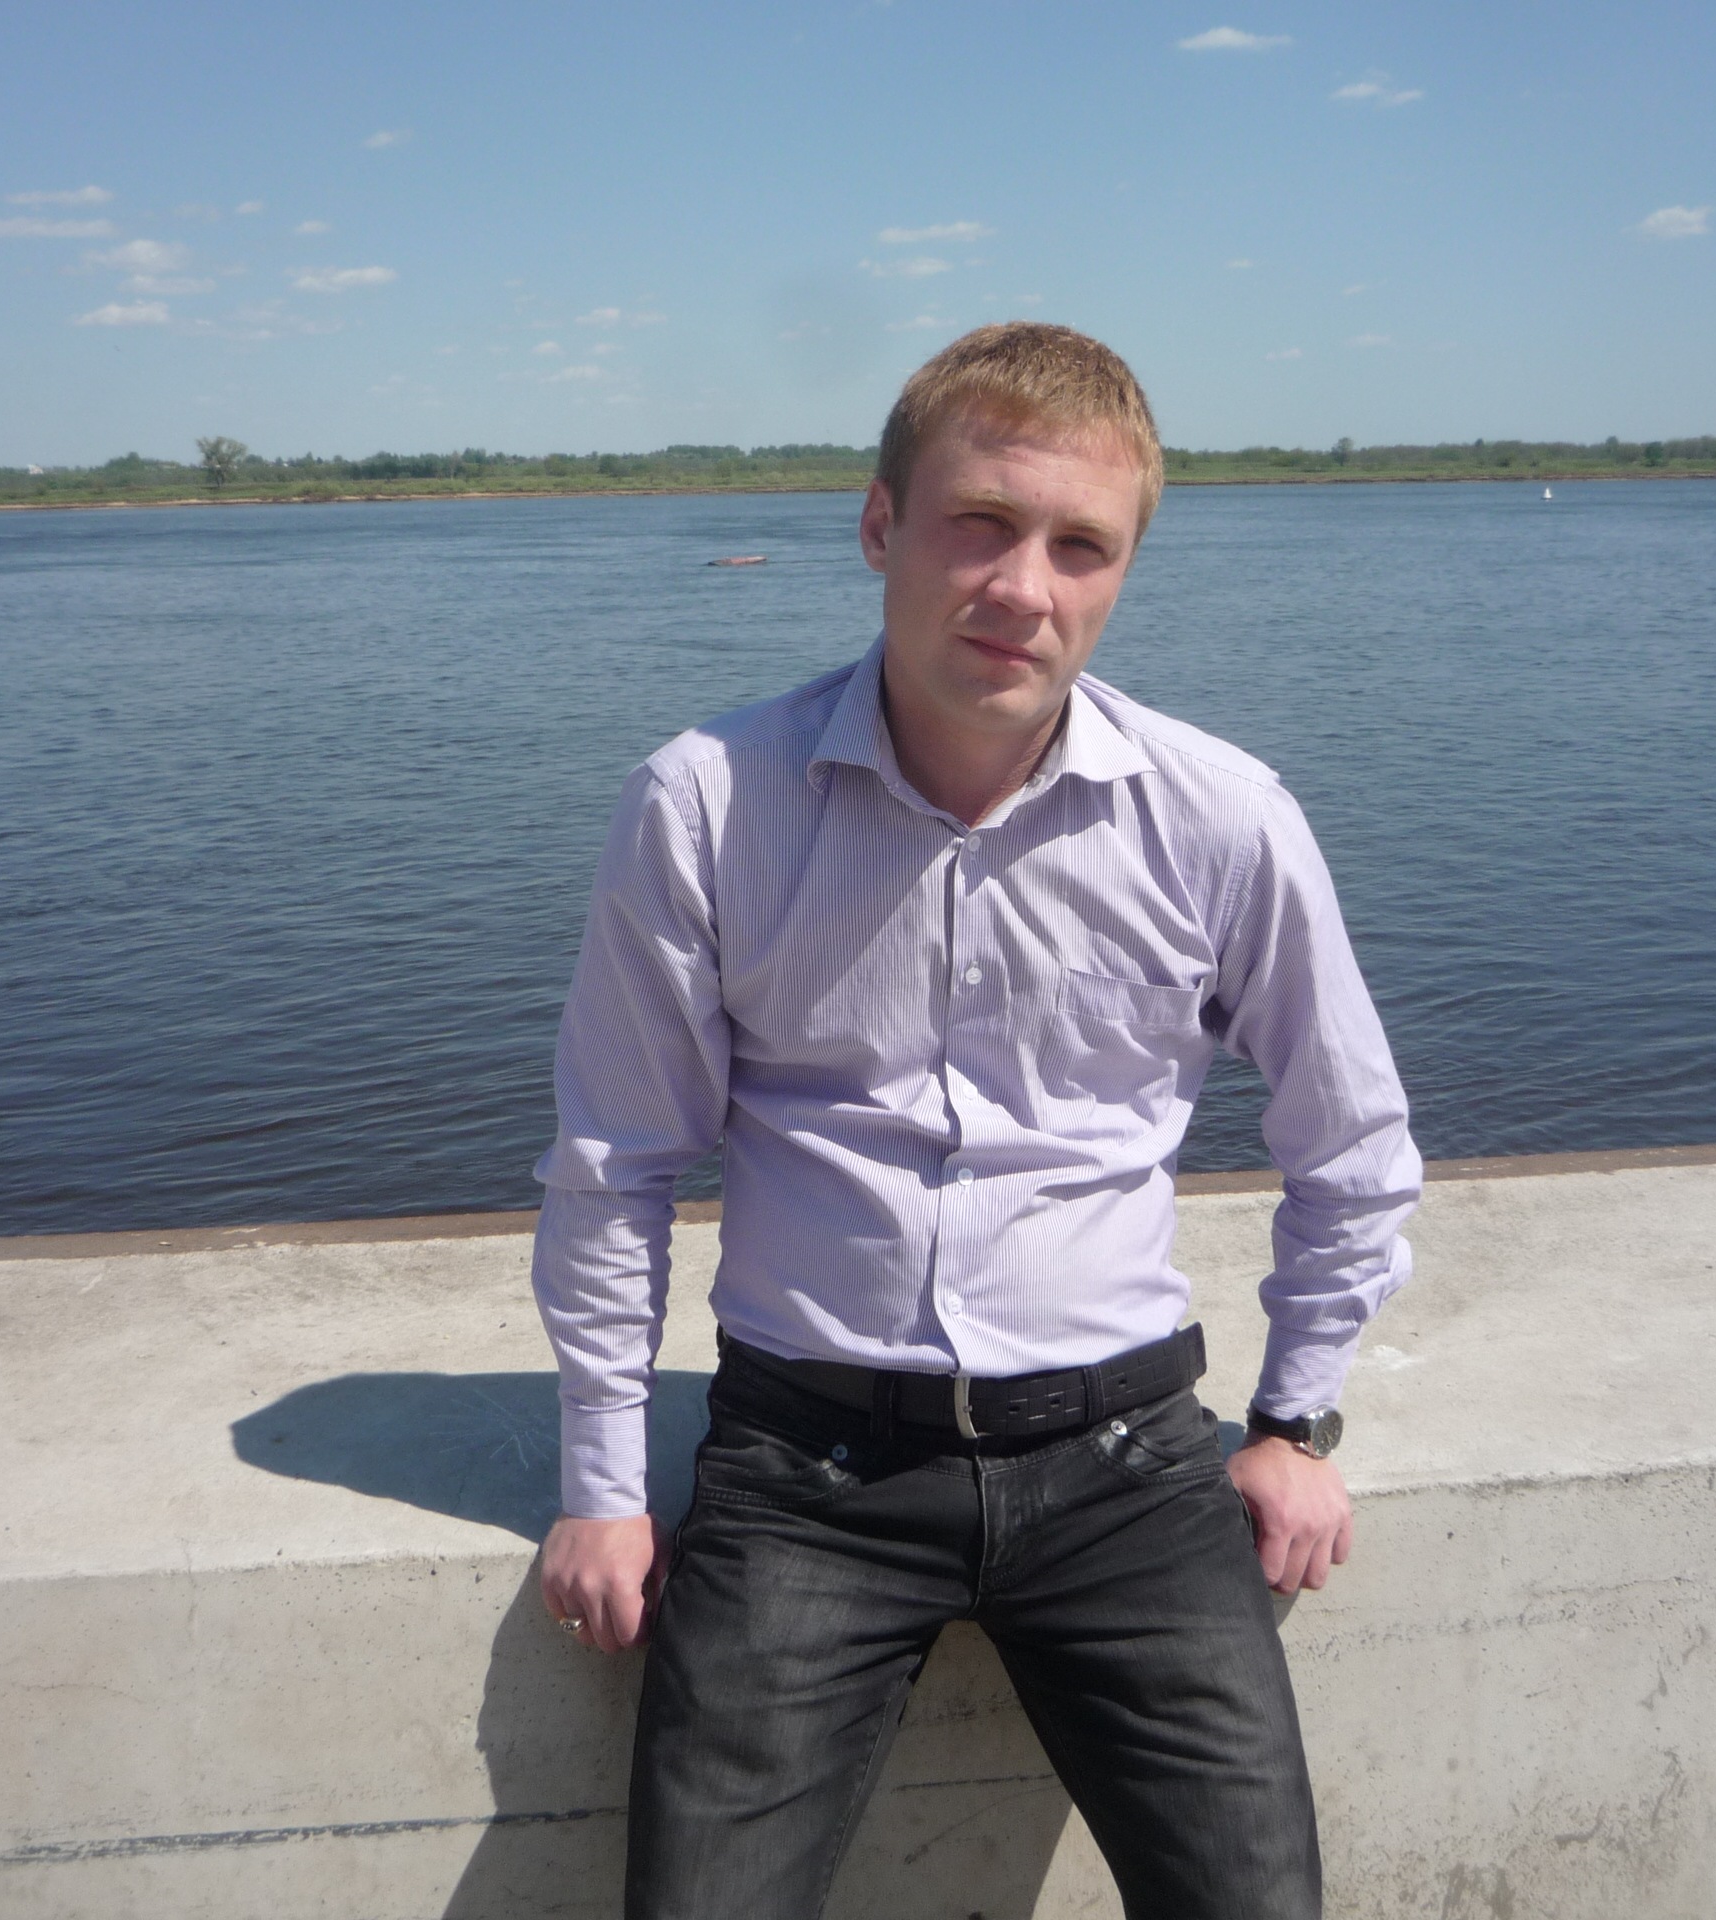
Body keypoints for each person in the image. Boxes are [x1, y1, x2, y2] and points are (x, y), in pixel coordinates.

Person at [530, 322, 1420, 1919]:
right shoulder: (707, 803)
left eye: (1082, 546)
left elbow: (1352, 1147)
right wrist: (603, 1484)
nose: (1024, 587)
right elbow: (618, 1166)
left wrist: (1296, 1421)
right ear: (881, 526)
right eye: (981, 524)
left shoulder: (1222, 820)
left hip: (1127, 1469)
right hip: (807, 1479)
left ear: (1124, 570)